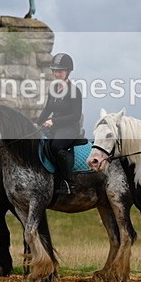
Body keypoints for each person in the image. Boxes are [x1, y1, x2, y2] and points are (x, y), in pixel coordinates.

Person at [35, 53, 83, 195]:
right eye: (55, 71)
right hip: (55, 127)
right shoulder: (53, 89)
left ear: (68, 72)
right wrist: (36, 123)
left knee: (55, 146)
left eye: (60, 71)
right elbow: (47, 109)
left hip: (70, 128)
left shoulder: (74, 91)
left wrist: (54, 121)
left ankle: (68, 182)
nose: (57, 74)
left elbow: (75, 116)